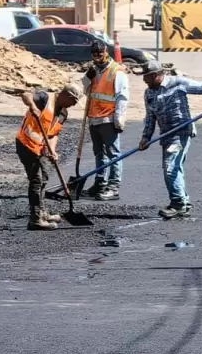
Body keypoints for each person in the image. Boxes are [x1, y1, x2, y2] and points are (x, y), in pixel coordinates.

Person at [137, 60, 202, 219]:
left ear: (156, 75)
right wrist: (145, 137)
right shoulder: (149, 93)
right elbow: (150, 118)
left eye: (146, 77)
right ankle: (183, 203)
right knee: (174, 168)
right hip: (166, 134)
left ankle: (178, 204)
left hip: (181, 132)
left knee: (170, 167)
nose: (144, 80)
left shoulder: (178, 83)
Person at [16, 83, 84, 230]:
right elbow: (26, 94)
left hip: (40, 148)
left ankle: (42, 212)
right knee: (36, 180)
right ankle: (35, 219)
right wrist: (33, 106)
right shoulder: (45, 98)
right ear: (67, 95)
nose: (73, 105)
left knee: (44, 177)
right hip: (26, 144)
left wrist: (53, 151)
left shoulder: (63, 113)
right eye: (74, 101)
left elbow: (53, 134)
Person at [81, 40, 129, 201]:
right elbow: (86, 90)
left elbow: (122, 97)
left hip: (108, 119)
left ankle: (113, 186)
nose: (97, 57)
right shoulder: (93, 70)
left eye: (100, 54)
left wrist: (119, 119)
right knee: (99, 153)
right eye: (94, 54)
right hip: (94, 118)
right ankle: (100, 183)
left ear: (106, 52)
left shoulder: (117, 71)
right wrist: (88, 77)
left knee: (113, 154)